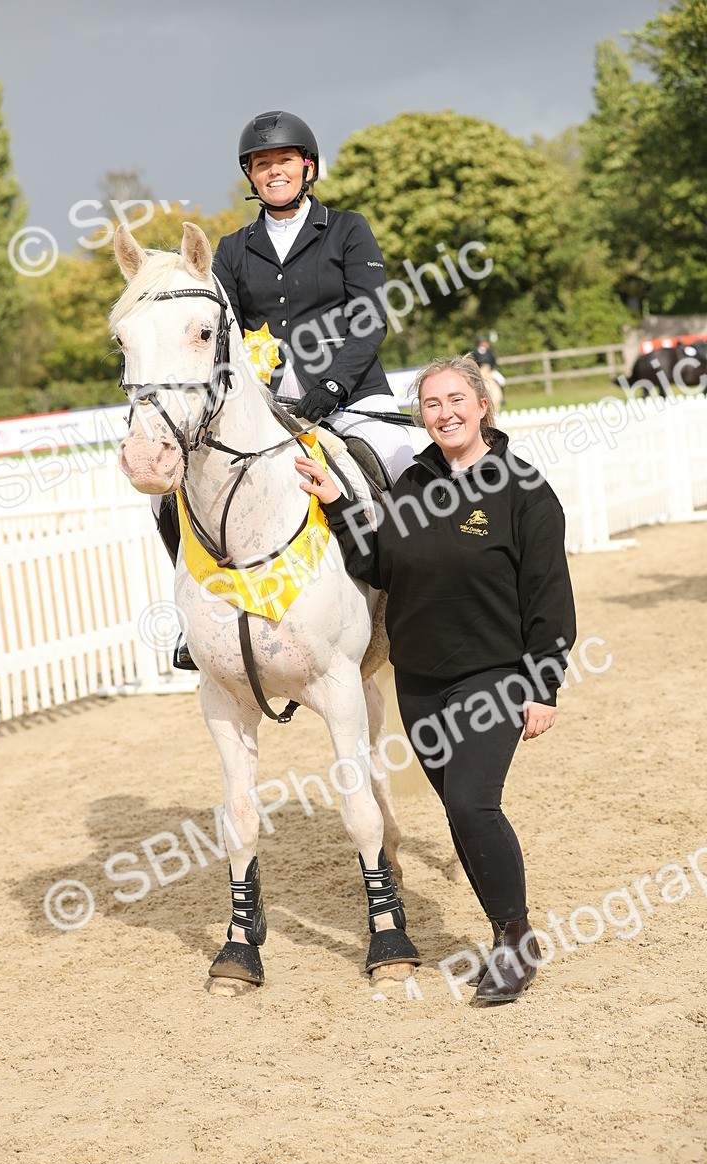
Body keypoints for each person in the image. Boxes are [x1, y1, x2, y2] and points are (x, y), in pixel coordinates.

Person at [295, 354, 577, 1004]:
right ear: (421, 416)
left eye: (456, 400)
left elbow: (548, 595)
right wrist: (338, 505)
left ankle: (515, 942)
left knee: (473, 803)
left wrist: (544, 683)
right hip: (420, 681)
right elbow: (379, 564)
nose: (445, 412)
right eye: (431, 404)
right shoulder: (415, 483)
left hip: (495, 676)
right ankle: (509, 934)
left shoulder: (521, 488)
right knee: (457, 812)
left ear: (481, 406)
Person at [213, 109, 420, 483]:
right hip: (269, 405)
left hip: (352, 395)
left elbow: (370, 320)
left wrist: (334, 384)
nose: (274, 171)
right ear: (251, 175)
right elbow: (222, 333)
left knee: (399, 462)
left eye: (285, 160)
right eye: (263, 164)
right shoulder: (231, 250)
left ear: (308, 166)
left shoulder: (347, 229)